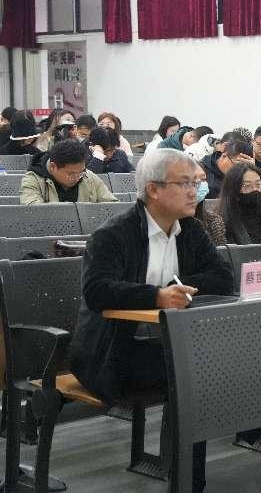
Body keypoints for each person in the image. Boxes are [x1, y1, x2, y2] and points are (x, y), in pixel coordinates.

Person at [70, 148, 234, 493]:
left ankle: (188, 478)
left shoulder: (191, 230)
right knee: (193, 377)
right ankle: (189, 483)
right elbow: (97, 291)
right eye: (184, 183)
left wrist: (177, 288)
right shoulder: (113, 234)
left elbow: (223, 278)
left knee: (208, 370)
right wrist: (156, 296)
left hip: (169, 347)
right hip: (112, 353)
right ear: (153, 190)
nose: (194, 192)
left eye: (195, 183)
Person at [205, 163, 261, 247]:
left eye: (258, 184)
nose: (255, 189)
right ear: (233, 189)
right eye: (247, 186)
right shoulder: (220, 223)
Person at [20, 139, 117, 204]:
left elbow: (112, 205)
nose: (77, 177)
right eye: (71, 174)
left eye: (81, 172)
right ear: (53, 167)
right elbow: (33, 212)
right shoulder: (33, 180)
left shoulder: (88, 176)